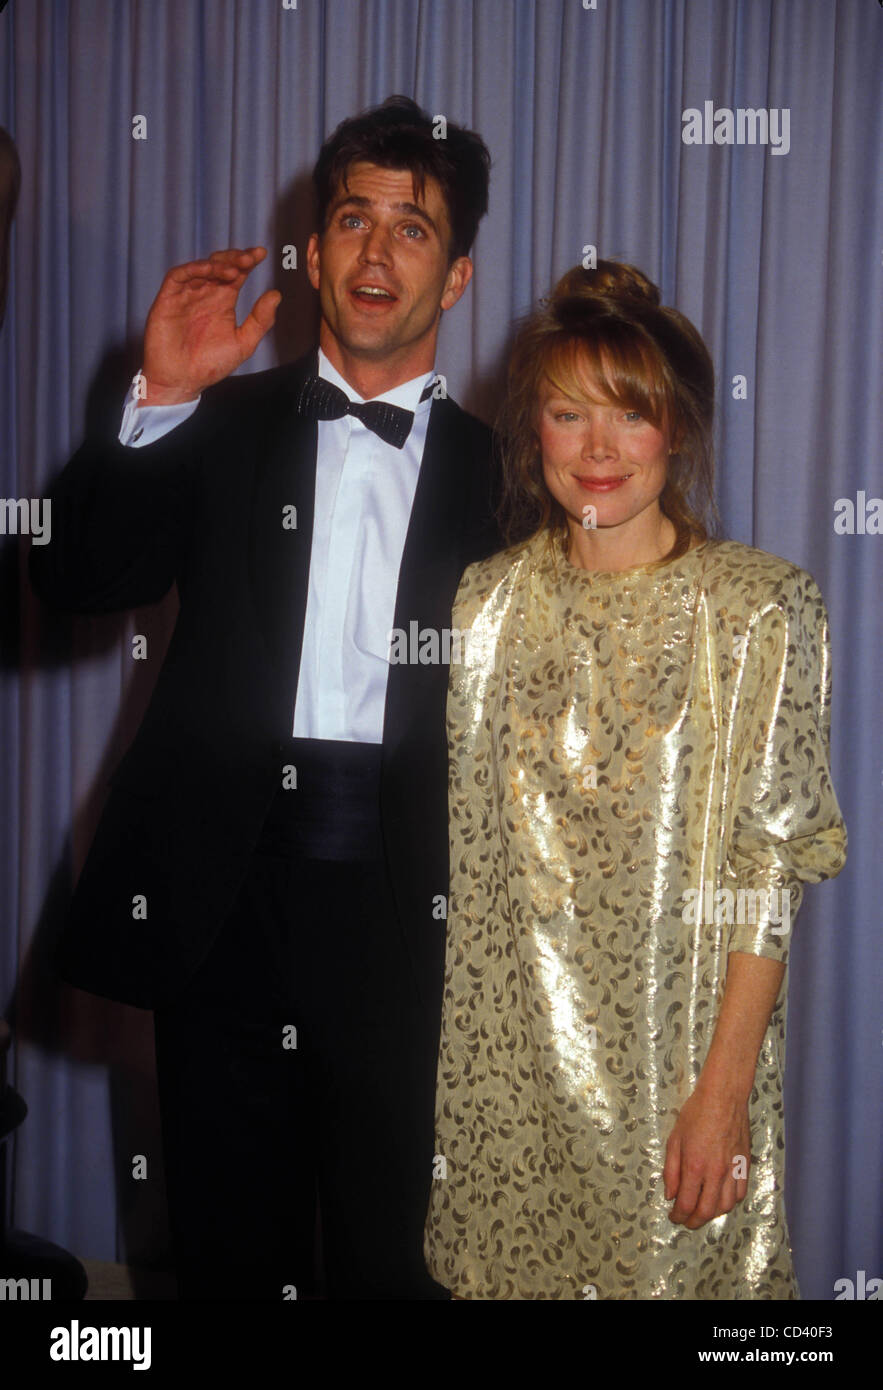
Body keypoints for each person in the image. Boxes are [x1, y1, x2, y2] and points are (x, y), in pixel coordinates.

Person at [29, 96, 498, 1300]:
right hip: (223, 892)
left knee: (397, 1251)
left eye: (411, 227)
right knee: (234, 1247)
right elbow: (79, 576)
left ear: (454, 278)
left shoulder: (506, 477)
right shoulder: (219, 421)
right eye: (353, 219)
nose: (376, 250)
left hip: (413, 901)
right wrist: (160, 394)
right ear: (315, 249)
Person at [424, 259, 847, 1299]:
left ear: (679, 429)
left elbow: (769, 872)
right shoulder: (485, 603)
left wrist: (725, 1089)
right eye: (568, 414)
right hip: (510, 1082)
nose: (599, 449)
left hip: (679, 1075)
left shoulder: (759, 611)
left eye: (630, 415)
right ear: (534, 432)